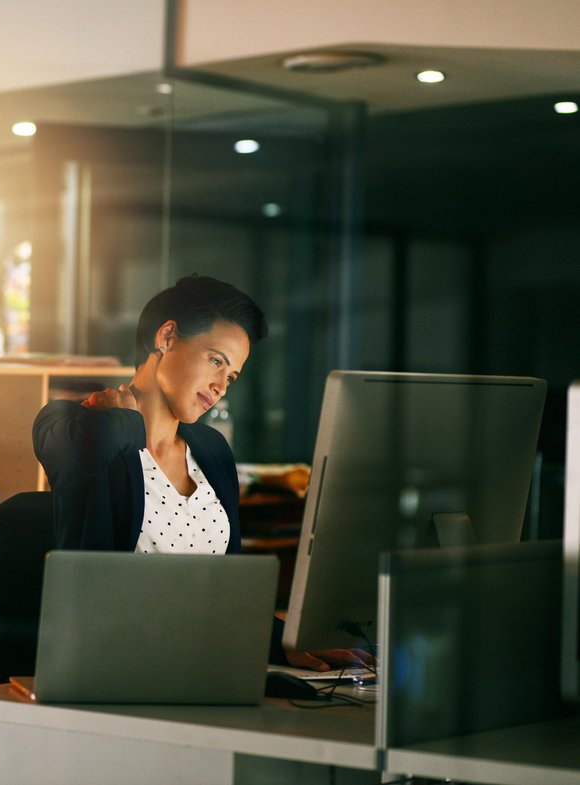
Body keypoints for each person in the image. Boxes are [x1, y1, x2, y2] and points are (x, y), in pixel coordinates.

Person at [33, 273, 371, 672]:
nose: (221, 386)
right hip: (115, 669)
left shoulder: (212, 451)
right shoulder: (76, 423)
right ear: (167, 337)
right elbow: (76, 455)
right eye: (216, 361)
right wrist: (124, 420)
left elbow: (226, 594)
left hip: (206, 667)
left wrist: (287, 642)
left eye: (231, 376)